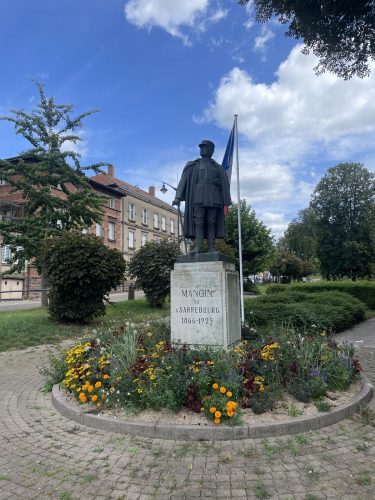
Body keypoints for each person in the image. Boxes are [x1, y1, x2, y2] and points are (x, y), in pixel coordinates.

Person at [172, 140, 231, 254]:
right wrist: (177, 197)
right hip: (197, 197)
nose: (203, 150)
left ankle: (211, 247)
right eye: (201, 148)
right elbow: (183, 181)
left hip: (213, 198)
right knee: (198, 222)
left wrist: (217, 182)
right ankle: (198, 247)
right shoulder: (192, 165)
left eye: (205, 147)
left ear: (212, 150)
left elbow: (224, 184)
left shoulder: (218, 167)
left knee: (211, 222)